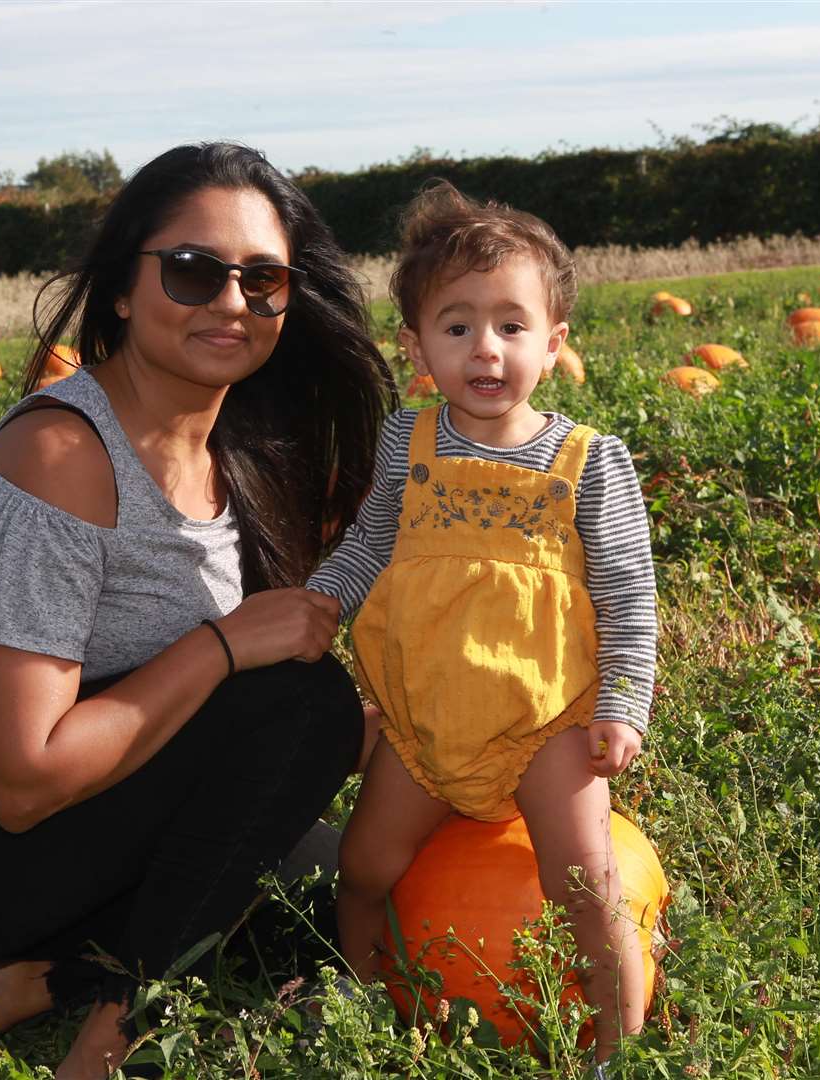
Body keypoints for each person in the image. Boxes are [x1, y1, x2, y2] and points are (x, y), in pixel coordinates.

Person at [0, 142, 392, 1079]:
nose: (232, 302)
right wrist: (225, 649)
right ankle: (113, 1037)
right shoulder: (63, 456)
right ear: (122, 287)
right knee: (302, 704)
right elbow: (22, 778)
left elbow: (210, 737)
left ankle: (32, 982)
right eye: (195, 272)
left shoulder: (237, 452)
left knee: (348, 906)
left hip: (69, 824)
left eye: (263, 280)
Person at [306, 181, 657, 1070]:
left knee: (585, 882)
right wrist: (321, 602)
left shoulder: (589, 461)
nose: (485, 349)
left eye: (511, 325)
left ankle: (618, 1048)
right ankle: (362, 997)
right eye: (456, 326)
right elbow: (370, 545)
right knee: (364, 869)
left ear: (554, 342)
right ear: (417, 344)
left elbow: (627, 593)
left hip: (549, 721)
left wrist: (623, 702)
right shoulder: (406, 444)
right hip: (425, 719)